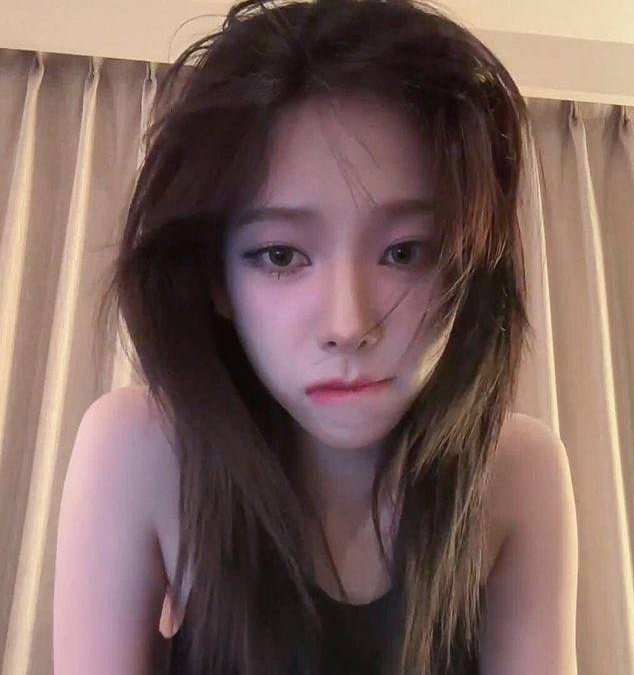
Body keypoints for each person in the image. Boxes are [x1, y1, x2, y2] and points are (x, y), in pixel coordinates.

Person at [53, 0, 579, 673]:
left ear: (470, 266)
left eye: (405, 252)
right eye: (280, 255)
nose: (348, 326)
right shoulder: (144, 447)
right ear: (216, 280)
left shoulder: (516, 472)